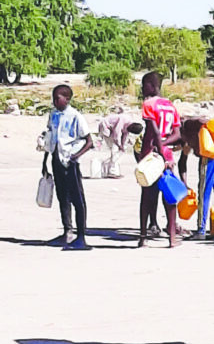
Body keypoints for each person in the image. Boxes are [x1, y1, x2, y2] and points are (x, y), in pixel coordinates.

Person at [41, 84, 93, 249]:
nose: (55, 101)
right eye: (53, 98)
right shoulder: (53, 115)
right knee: (62, 197)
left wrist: (75, 156)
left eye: (58, 98)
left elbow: (89, 141)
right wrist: (45, 160)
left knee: (77, 199)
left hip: (70, 162)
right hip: (56, 160)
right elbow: (51, 139)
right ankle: (67, 232)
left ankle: (81, 237)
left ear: (67, 99)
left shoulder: (75, 116)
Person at [138, 71, 181, 248]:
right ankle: (171, 238)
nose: (142, 89)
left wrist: (157, 149)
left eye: (144, 85)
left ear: (152, 85)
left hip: (151, 154)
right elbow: (177, 133)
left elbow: (153, 131)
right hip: (168, 153)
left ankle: (143, 238)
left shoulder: (148, 104)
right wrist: (165, 144)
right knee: (169, 196)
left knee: (147, 195)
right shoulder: (171, 106)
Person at [97, 110, 143, 177]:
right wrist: (120, 145)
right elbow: (116, 135)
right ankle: (111, 172)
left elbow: (125, 135)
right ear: (132, 126)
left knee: (119, 151)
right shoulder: (123, 120)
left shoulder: (129, 126)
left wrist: (122, 146)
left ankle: (110, 168)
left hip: (112, 129)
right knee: (114, 148)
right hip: (105, 127)